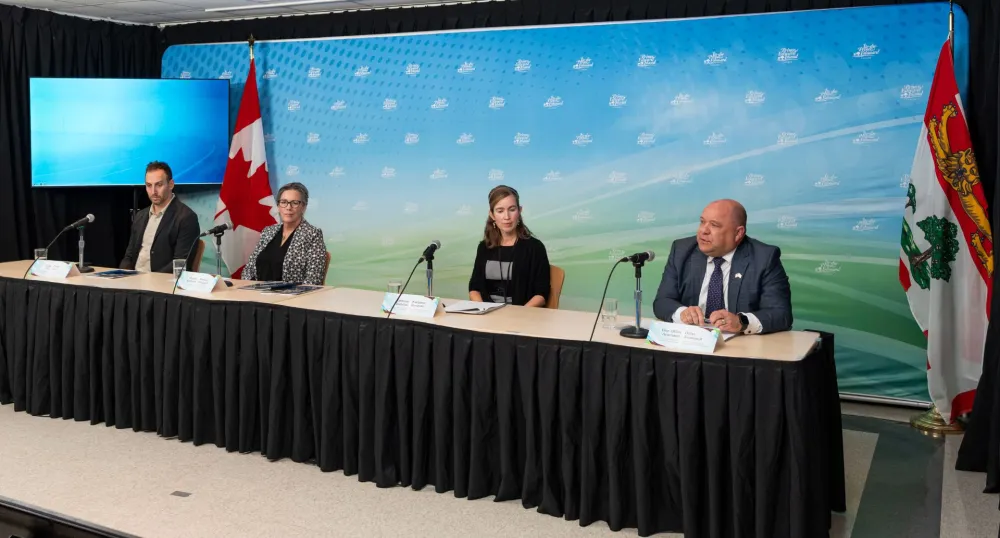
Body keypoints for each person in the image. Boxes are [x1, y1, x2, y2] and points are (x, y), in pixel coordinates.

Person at [652, 199, 792, 334]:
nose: (703, 231)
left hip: (741, 348)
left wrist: (741, 322)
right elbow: (662, 302)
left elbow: (781, 314)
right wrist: (682, 313)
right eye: (702, 222)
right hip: (692, 344)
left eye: (714, 225)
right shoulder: (682, 251)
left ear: (738, 233)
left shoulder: (764, 257)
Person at [468, 185, 551, 307]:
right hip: (488, 317)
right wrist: (483, 310)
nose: (506, 217)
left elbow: (541, 294)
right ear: (492, 214)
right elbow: (474, 288)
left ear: (520, 211)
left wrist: (517, 316)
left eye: (512, 209)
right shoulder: (484, 247)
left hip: (523, 317)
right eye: (500, 211)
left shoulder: (535, 248)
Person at [120, 161, 200, 273]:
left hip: (161, 284)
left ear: (171, 184)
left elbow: (180, 263)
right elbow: (129, 256)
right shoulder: (140, 216)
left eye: (159, 185)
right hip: (134, 281)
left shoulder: (186, 217)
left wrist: (149, 280)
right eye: (149, 185)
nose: (153, 191)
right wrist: (121, 277)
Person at [241, 182, 327, 285]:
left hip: (291, 298)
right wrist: (248, 289)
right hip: (257, 294)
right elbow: (248, 270)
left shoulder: (313, 235)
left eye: (295, 203)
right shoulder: (268, 232)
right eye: (283, 202)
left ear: (303, 207)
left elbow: (313, 280)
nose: (288, 207)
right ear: (278, 206)